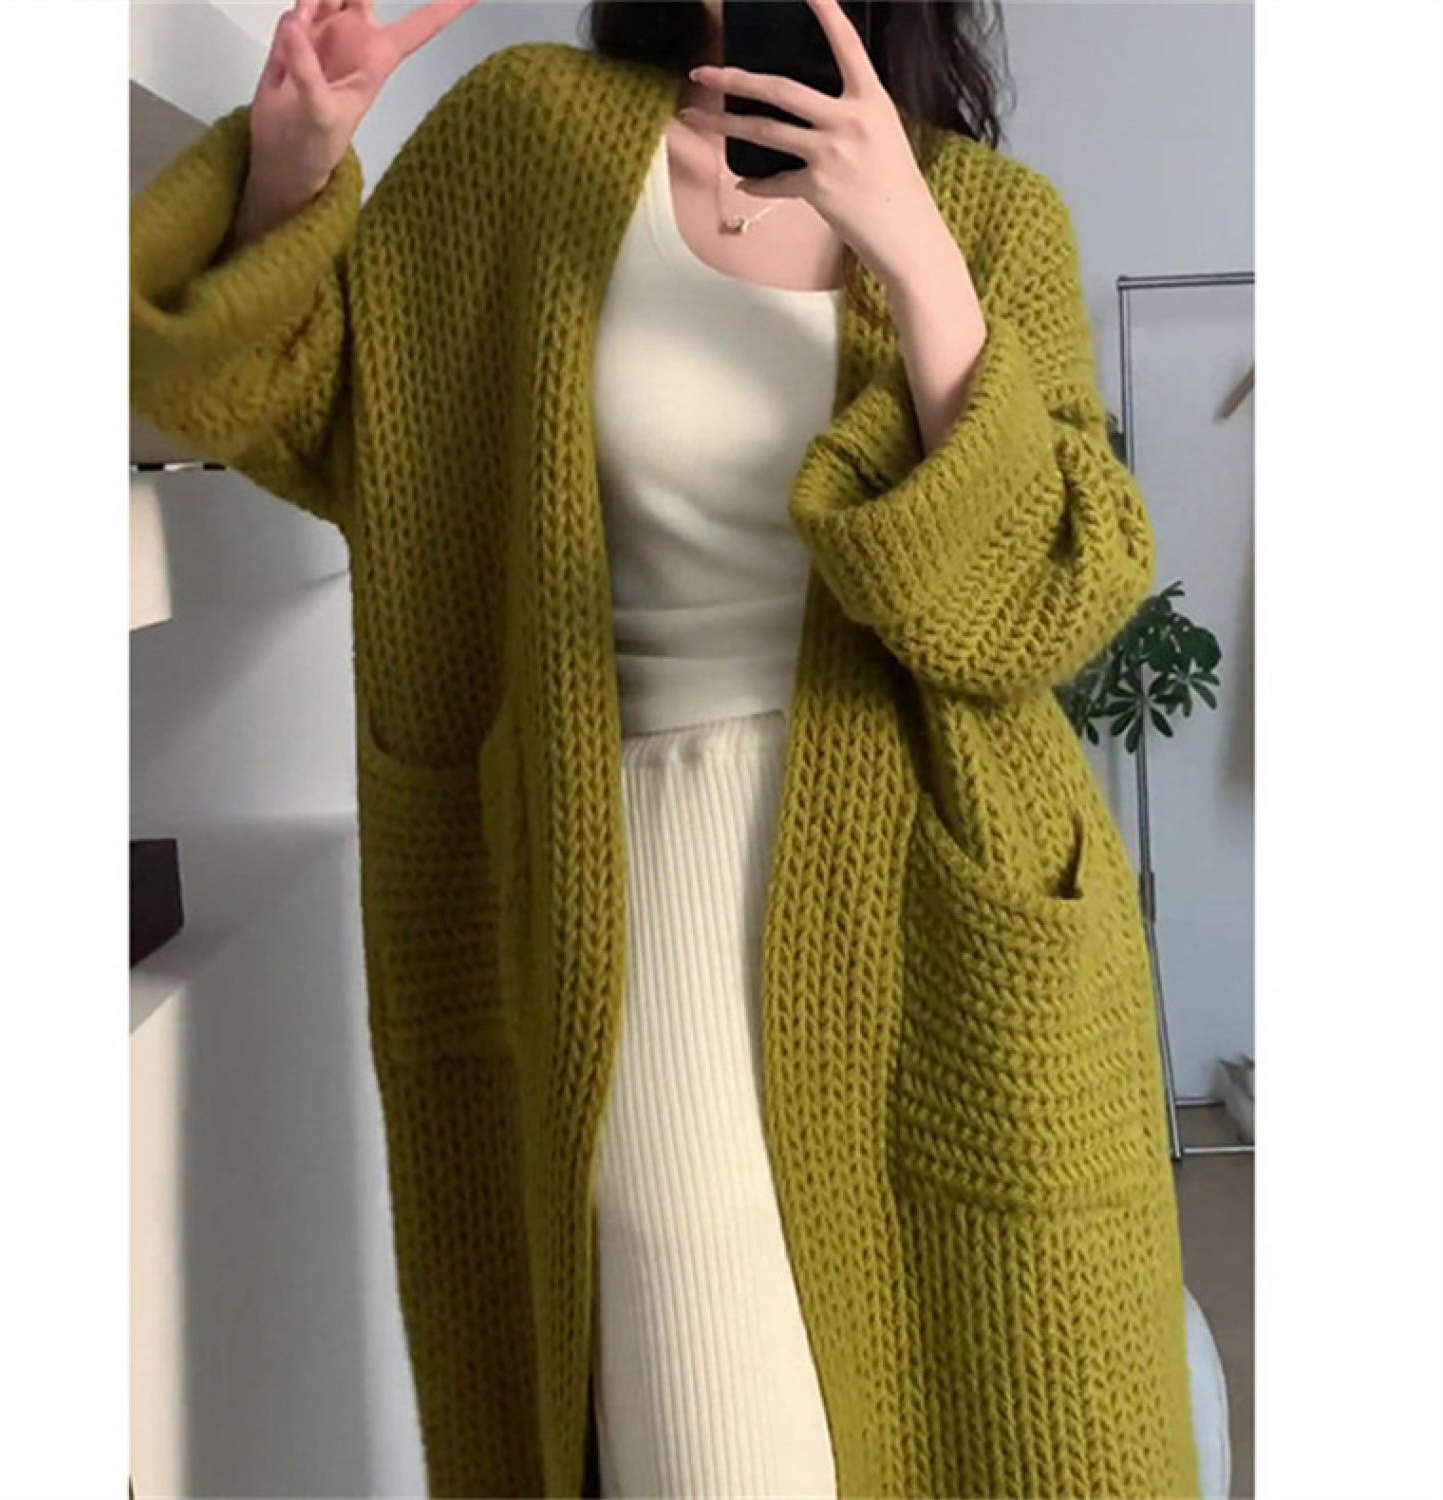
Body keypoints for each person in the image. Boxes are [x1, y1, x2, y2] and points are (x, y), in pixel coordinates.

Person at [130, 1, 1231, 1494]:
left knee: (1022, 1419)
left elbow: (1042, 604)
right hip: (633, 884)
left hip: (947, 917)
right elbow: (306, 411)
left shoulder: (989, 216)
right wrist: (286, 167)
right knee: (714, 1440)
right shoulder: (524, 139)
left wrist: (916, 258)